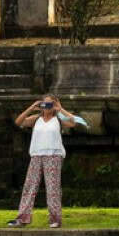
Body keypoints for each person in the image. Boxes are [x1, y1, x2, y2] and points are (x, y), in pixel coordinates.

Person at [9, 95, 82, 228]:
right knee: (29, 187)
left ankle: (55, 219)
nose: (47, 107)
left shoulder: (59, 119)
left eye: (50, 104)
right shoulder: (36, 119)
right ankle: (22, 218)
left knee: (52, 188)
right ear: (41, 105)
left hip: (53, 156)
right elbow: (18, 122)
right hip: (36, 155)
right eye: (45, 104)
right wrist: (31, 108)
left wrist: (60, 109)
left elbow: (73, 123)